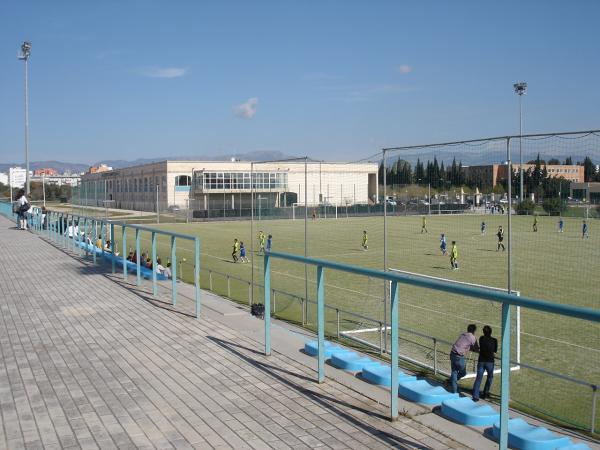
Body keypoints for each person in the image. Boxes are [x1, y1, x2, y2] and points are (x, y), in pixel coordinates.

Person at [449, 324, 479, 394]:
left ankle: (454, 390)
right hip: (459, 356)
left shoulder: (463, 334)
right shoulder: (472, 337)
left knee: (454, 372)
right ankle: (451, 382)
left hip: (452, 353)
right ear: (474, 331)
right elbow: (476, 348)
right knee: (463, 372)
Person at [472, 325, 497, 401]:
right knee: (490, 377)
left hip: (481, 361)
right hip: (490, 362)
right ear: (491, 332)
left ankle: (475, 396)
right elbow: (495, 351)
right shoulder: (494, 340)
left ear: (483, 332)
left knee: (479, 378)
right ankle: (485, 393)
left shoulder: (481, 338)